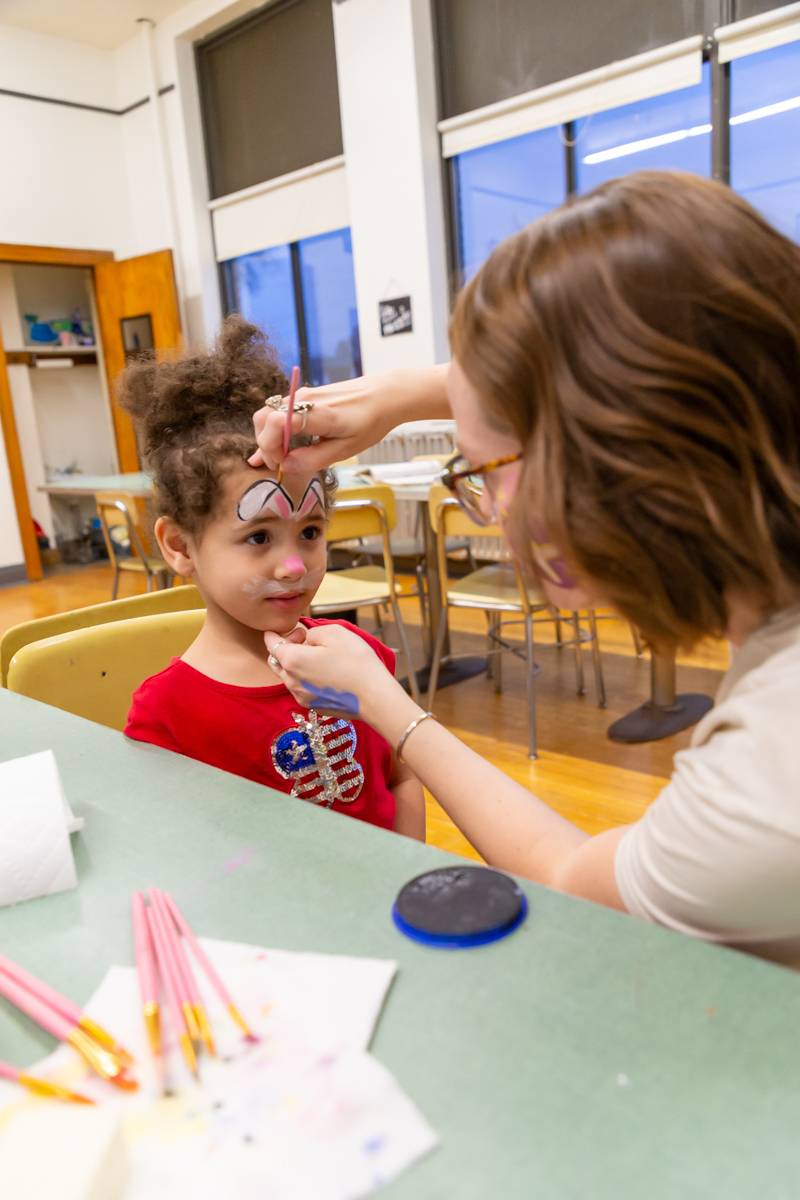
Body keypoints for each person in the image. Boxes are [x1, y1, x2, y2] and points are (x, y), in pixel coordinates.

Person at [250, 171, 800, 966]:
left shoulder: (768, 776)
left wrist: (381, 701)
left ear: (607, 457)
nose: (498, 514)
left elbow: (573, 880)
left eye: (485, 471)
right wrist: (404, 395)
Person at [121, 316, 425, 839]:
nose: (294, 565)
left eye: (310, 531)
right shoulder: (166, 715)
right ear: (178, 545)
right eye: (259, 537)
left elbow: (402, 780)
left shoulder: (357, 655)